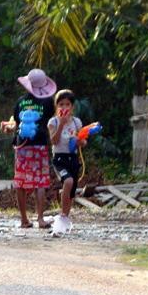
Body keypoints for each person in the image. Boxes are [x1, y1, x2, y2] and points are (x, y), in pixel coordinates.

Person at [0, 69, 56, 228]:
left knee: (21, 182)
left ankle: (24, 219)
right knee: (40, 182)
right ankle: (40, 218)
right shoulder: (47, 102)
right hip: (39, 145)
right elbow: (51, 121)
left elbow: (16, 124)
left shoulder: (20, 102)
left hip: (22, 146)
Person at [47, 90, 84, 234]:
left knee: (71, 192)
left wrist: (81, 141)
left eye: (67, 104)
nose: (64, 107)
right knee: (67, 182)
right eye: (61, 104)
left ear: (72, 107)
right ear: (56, 106)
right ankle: (62, 215)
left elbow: (82, 141)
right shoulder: (53, 122)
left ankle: (65, 220)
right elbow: (54, 141)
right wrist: (61, 124)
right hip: (59, 159)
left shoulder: (77, 122)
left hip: (73, 158)